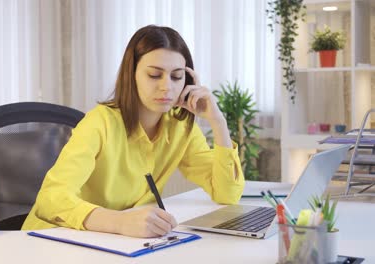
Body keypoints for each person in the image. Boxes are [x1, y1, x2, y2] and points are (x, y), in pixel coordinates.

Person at [22, 25, 245, 238]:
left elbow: (227, 193)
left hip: (113, 242)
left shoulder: (180, 126)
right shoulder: (101, 122)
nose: (167, 86)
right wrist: (120, 222)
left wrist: (218, 121)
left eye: (177, 76)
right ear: (132, 75)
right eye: (154, 75)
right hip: (51, 238)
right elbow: (50, 201)